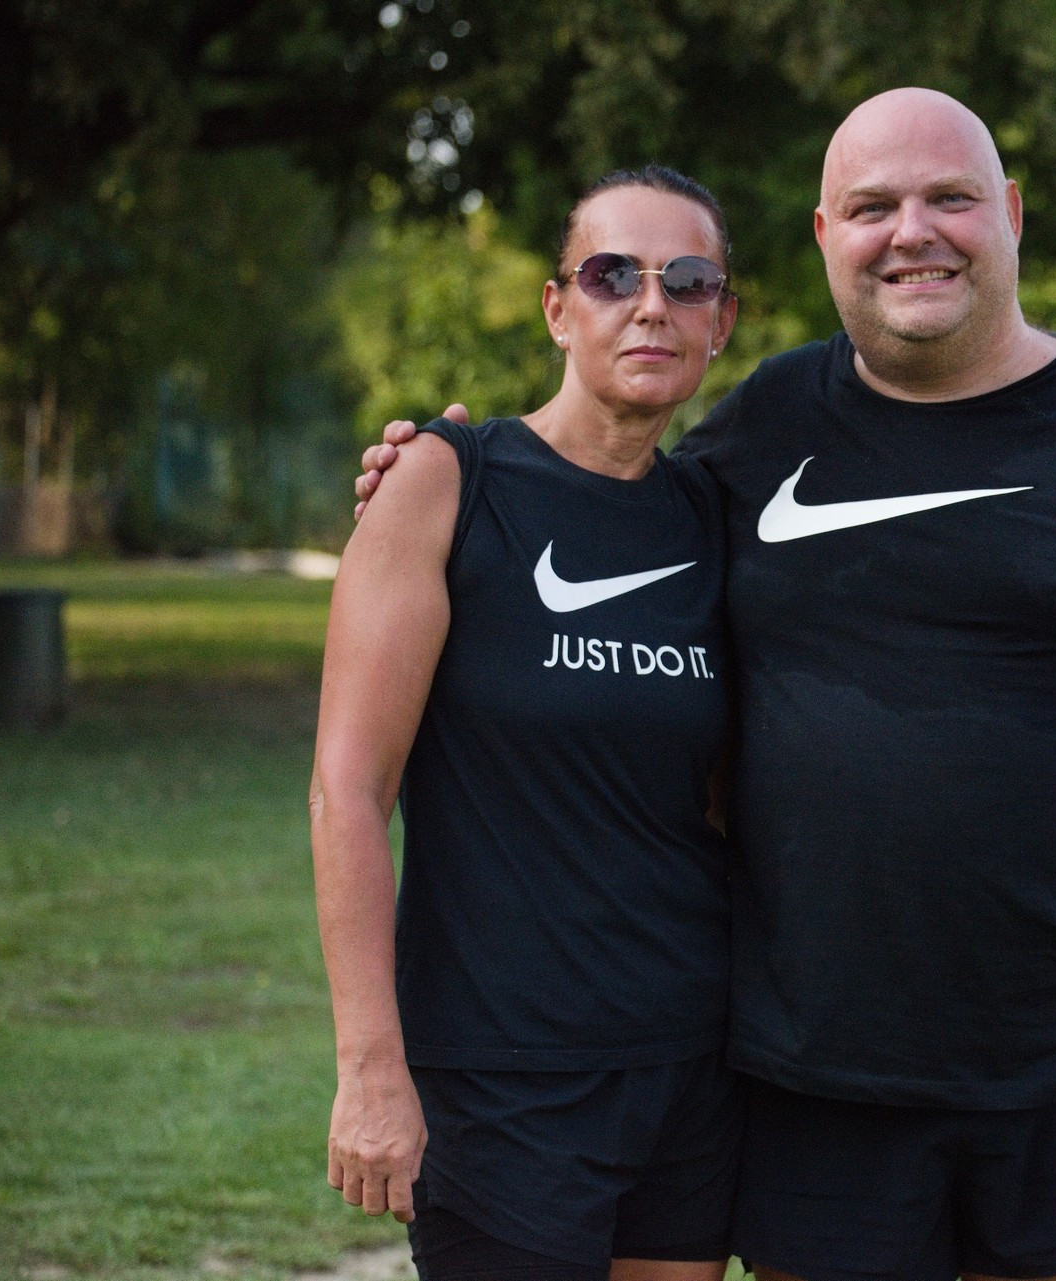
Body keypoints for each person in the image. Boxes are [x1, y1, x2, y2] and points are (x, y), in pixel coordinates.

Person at [357, 88, 1056, 1281]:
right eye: (871, 207)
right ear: (824, 237)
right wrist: (434, 479)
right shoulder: (768, 423)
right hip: (812, 1082)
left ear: (1010, 215)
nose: (913, 232)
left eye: (951, 198)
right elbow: (603, 500)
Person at [311, 165, 744, 1281]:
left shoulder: (719, 519)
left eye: (688, 280)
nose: (651, 305)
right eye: (612, 276)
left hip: (690, 1065)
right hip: (500, 1075)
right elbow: (348, 789)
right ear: (558, 308)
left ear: (722, 321)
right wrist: (370, 1065)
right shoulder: (446, 484)